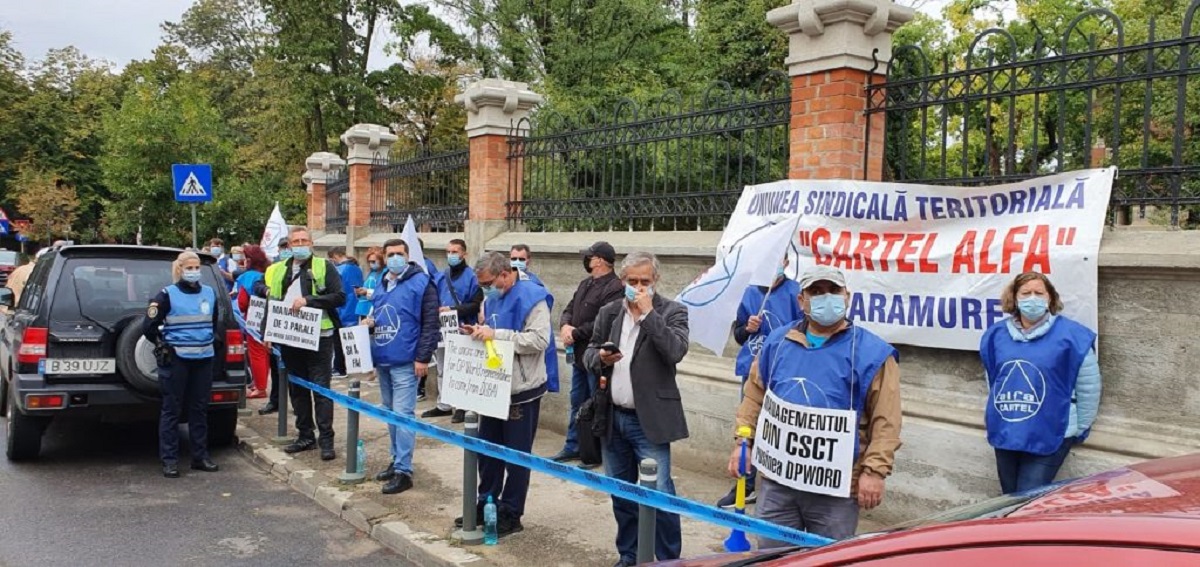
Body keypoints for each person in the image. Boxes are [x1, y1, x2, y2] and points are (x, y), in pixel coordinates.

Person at [731, 265, 901, 546]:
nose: (826, 297)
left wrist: (874, 471)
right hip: (778, 482)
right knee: (772, 557)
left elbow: (887, 420)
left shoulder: (872, 353)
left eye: (833, 291)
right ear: (801, 301)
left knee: (827, 557)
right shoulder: (778, 341)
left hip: (835, 491)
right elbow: (754, 396)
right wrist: (742, 442)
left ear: (847, 296)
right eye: (816, 292)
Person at [584, 251, 689, 566]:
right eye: (633, 281)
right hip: (613, 418)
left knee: (660, 494)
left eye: (645, 281)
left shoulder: (673, 311)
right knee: (621, 493)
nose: (639, 287)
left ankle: (668, 559)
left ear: (655, 281)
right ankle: (629, 555)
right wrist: (600, 358)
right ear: (622, 281)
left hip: (649, 422)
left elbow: (675, 350)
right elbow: (587, 353)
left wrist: (648, 315)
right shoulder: (609, 312)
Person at [453, 251, 551, 538]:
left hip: (522, 389)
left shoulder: (533, 296)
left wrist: (498, 336)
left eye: (489, 283)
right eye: (482, 284)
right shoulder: (493, 296)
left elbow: (540, 340)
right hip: (493, 386)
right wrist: (478, 331)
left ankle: (511, 512)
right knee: (487, 451)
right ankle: (487, 502)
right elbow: (491, 329)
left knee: (516, 457)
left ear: (505, 274)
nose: (486, 289)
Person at [981, 271, 1100, 495]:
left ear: (1050, 298)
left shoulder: (1073, 337)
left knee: (1026, 497)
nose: (1032, 298)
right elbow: (994, 380)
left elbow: (1089, 388)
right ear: (1014, 298)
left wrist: (1079, 427)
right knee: (1008, 497)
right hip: (1008, 429)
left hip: (1052, 431)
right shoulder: (996, 335)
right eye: (1026, 293)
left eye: (1039, 292)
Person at [715, 255, 804, 508]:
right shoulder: (750, 292)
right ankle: (747, 483)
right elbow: (739, 335)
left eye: (779, 257)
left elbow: (808, 329)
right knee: (747, 427)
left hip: (785, 371)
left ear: (785, 261)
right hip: (753, 371)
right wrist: (749, 328)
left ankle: (783, 487)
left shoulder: (796, 292)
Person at [255, 227, 346, 460]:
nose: (300, 244)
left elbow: (339, 297)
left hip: (319, 339)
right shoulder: (278, 271)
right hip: (289, 339)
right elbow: (272, 302)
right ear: (290, 245)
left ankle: (326, 440)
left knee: (321, 391)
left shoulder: (324, 267)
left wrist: (309, 301)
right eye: (296, 241)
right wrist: (267, 332)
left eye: (304, 240)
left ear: (312, 243)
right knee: (298, 390)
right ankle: (305, 436)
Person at [364, 238, 439, 494]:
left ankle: (404, 471)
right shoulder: (383, 282)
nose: (394, 258)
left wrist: (423, 357)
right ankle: (396, 460)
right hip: (384, 356)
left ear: (407, 255)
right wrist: (370, 324)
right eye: (390, 254)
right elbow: (381, 313)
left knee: (403, 414)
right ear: (384, 257)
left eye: (399, 253)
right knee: (389, 413)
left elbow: (430, 323)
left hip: (407, 361)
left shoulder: (422, 283)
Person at [142, 251, 221, 478]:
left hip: (204, 358)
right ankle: (169, 461)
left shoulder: (209, 293)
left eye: (197, 267)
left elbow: (212, 323)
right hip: (177, 360)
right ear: (180, 269)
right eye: (190, 267)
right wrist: (162, 344)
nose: (194, 271)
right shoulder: (166, 295)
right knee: (172, 410)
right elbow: (149, 326)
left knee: (199, 409)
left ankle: (200, 457)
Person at [549, 241, 624, 465]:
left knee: (596, 404)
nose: (587, 261)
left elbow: (605, 321)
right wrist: (564, 326)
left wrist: (576, 332)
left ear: (600, 260)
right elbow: (569, 309)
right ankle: (573, 445)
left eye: (590, 257)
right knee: (577, 401)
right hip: (579, 356)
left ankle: (594, 453)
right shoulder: (585, 284)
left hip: (596, 357)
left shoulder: (615, 287)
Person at [423, 238, 482, 423]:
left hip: (463, 329)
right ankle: (444, 404)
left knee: (461, 369)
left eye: (455, 252)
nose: (451, 255)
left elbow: (475, 304)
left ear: (464, 253)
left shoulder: (473, 277)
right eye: (448, 252)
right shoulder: (441, 276)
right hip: (443, 330)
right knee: (442, 368)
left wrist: (454, 310)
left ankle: (463, 406)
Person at [258, 237, 291, 415]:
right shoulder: (272, 269)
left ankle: (296, 404)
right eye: (283, 247)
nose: (286, 250)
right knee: (276, 368)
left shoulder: (305, 268)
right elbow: (259, 285)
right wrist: (265, 290)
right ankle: (276, 401)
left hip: (295, 325)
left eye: (289, 247)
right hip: (276, 323)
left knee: (295, 370)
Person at [235, 245, 271, 398]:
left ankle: (260, 387)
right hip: (269, 317)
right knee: (266, 353)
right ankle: (259, 383)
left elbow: (242, 302)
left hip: (253, 321)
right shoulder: (268, 272)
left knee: (256, 354)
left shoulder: (248, 277)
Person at [329, 246, 364, 378]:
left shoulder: (338, 270)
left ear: (336, 257)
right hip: (355, 307)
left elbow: (336, 291)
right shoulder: (356, 268)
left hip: (341, 309)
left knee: (338, 340)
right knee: (351, 341)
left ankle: (339, 368)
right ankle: (351, 366)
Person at [355, 246, 385, 320]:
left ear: (381, 260)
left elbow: (384, 293)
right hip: (363, 309)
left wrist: (367, 292)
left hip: (375, 310)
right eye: (369, 261)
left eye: (373, 261)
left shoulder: (385, 273)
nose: (371, 264)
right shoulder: (372, 273)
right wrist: (359, 291)